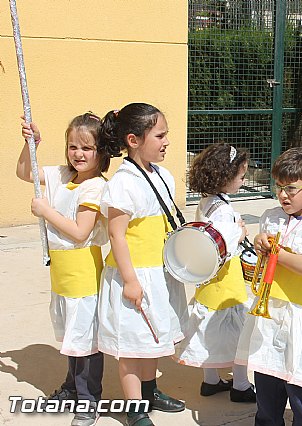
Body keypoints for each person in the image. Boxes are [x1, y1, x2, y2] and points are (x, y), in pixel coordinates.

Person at [235, 146, 302, 425]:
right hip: (270, 317)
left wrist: (277, 254)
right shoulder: (272, 215)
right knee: (267, 393)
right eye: (279, 187)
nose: (283, 194)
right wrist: (260, 242)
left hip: (301, 320)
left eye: (291, 189)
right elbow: (263, 239)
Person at [97, 103, 187, 426]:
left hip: (156, 274)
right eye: (160, 135)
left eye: (167, 135)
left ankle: (150, 392)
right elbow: (116, 236)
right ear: (134, 140)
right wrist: (131, 281)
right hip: (132, 277)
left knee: (152, 339)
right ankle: (135, 409)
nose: (166, 142)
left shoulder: (162, 175)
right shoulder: (123, 183)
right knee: (132, 346)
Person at [17, 113, 109, 426]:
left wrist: (45, 211)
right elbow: (23, 172)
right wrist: (31, 143)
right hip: (61, 272)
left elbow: (81, 232)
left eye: (87, 147)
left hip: (84, 273)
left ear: (101, 151)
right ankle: (72, 387)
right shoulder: (60, 174)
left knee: (86, 340)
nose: (78, 154)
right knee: (72, 336)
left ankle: (88, 399)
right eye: (72, 146)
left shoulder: (96, 187)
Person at [173, 143, 256, 402]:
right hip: (226, 278)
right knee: (238, 332)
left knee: (210, 327)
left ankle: (211, 380)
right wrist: (240, 232)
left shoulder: (209, 200)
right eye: (241, 176)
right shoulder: (221, 208)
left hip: (209, 278)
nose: (243, 181)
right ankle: (241, 385)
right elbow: (224, 244)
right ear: (225, 176)